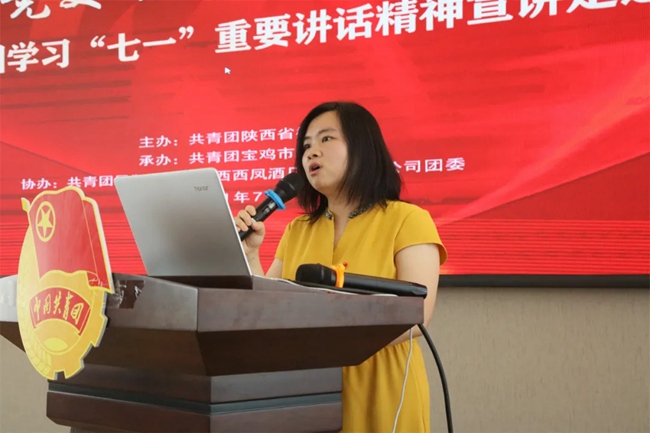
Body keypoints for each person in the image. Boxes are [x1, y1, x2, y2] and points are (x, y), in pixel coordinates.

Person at [234, 101, 447, 433]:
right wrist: (250, 255)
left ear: (362, 148)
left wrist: (326, 342)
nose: (311, 152)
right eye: (306, 145)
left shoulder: (408, 220)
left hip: (383, 390)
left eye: (326, 139)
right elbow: (267, 307)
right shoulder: (298, 230)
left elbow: (418, 317)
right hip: (307, 392)